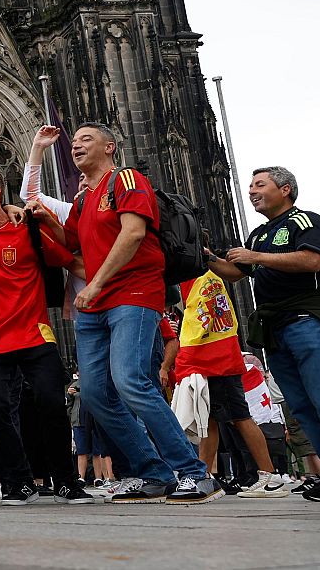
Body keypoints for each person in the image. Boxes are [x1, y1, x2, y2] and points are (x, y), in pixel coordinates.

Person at [66, 123, 219, 504]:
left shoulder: (127, 180)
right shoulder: (83, 200)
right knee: (95, 395)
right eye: (74, 142)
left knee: (131, 381)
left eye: (86, 139)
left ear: (110, 147)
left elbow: (133, 233)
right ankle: (152, 472)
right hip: (95, 307)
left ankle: (194, 472)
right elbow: (68, 243)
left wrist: (96, 283)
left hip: (132, 294)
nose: (76, 145)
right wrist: (27, 213)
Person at [0, 169, 92, 505]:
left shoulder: (27, 231)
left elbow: (71, 263)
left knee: (51, 405)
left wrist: (112, 281)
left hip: (35, 335)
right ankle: (20, 481)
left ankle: (65, 481)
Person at [207, 166, 320, 500]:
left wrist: (256, 256)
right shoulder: (258, 234)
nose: (251, 190)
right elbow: (234, 273)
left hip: (307, 320)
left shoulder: (306, 221)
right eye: (250, 185)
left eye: (260, 184)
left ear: (285, 189)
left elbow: (312, 261)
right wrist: (205, 257)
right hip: (275, 329)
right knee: (303, 408)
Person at [168, 267, 287, 496]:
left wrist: (185, 360)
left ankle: (270, 477)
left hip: (215, 361)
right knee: (209, 419)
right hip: (219, 358)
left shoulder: (199, 278)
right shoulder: (208, 276)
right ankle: (203, 476)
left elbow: (200, 326)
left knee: (240, 417)